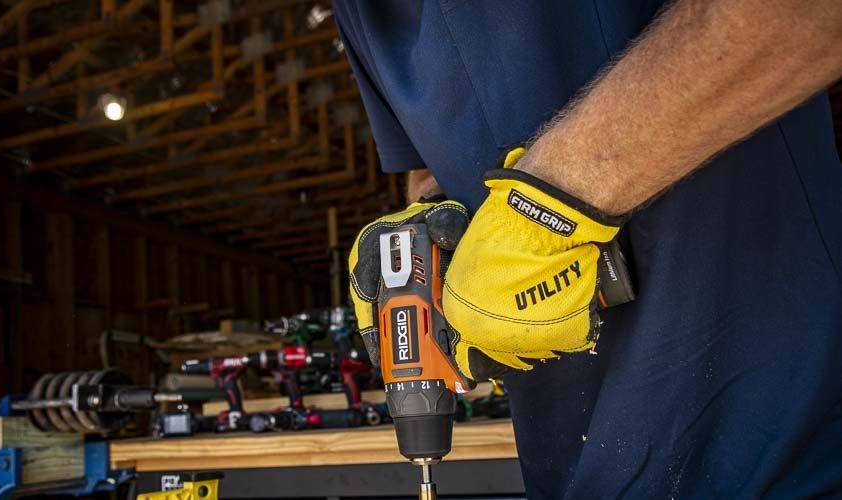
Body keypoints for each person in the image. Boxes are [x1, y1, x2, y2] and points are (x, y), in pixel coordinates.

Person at [336, 1, 842, 498]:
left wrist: (553, 201)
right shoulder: (357, 12)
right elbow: (427, 164)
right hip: (568, 462)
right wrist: (427, 227)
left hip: (773, 420)